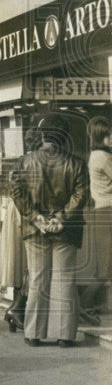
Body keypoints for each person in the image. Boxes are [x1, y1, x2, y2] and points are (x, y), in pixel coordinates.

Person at [11, 115, 88, 347]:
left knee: (37, 279)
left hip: (35, 230)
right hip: (66, 230)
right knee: (64, 280)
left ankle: (33, 333)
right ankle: (65, 335)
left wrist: (37, 218)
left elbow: (16, 192)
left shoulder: (24, 162)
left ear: (42, 135)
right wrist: (61, 219)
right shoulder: (76, 163)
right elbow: (80, 195)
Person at [83, 117, 111, 317]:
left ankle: (100, 305)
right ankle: (84, 303)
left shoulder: (94, 155)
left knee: (105, 263)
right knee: (104, 265)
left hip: (100, 211)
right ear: (102, 136)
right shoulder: (103, 156)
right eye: (108, 134)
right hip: (108, 210)